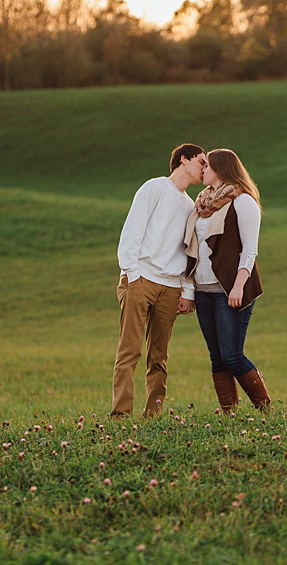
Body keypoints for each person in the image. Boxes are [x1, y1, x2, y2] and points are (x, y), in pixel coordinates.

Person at [111, 143, 206, 418]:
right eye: (201, 161)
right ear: (183, 159)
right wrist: (133, 274)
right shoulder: (153, 188)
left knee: (159, 357)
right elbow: (132, 232)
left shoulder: (191, 206)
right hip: (141, 280)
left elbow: (189, 252)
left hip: (171, 288)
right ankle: (121, 414)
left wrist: (187, 290)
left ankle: (153, 414)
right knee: (129, 351)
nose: (204, 168)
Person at [184, 148, 271, 412]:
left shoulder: (242, 201)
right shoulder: (202, 202)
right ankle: (228, 413)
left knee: (232, 355)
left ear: (221, 169)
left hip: (230, 290)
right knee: (216, 357)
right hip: (203, 289)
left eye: (207, 166)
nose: (203, 170)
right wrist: (189, 289)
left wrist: (238, 285)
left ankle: (264, 407)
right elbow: (194, 249)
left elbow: (250, 249)